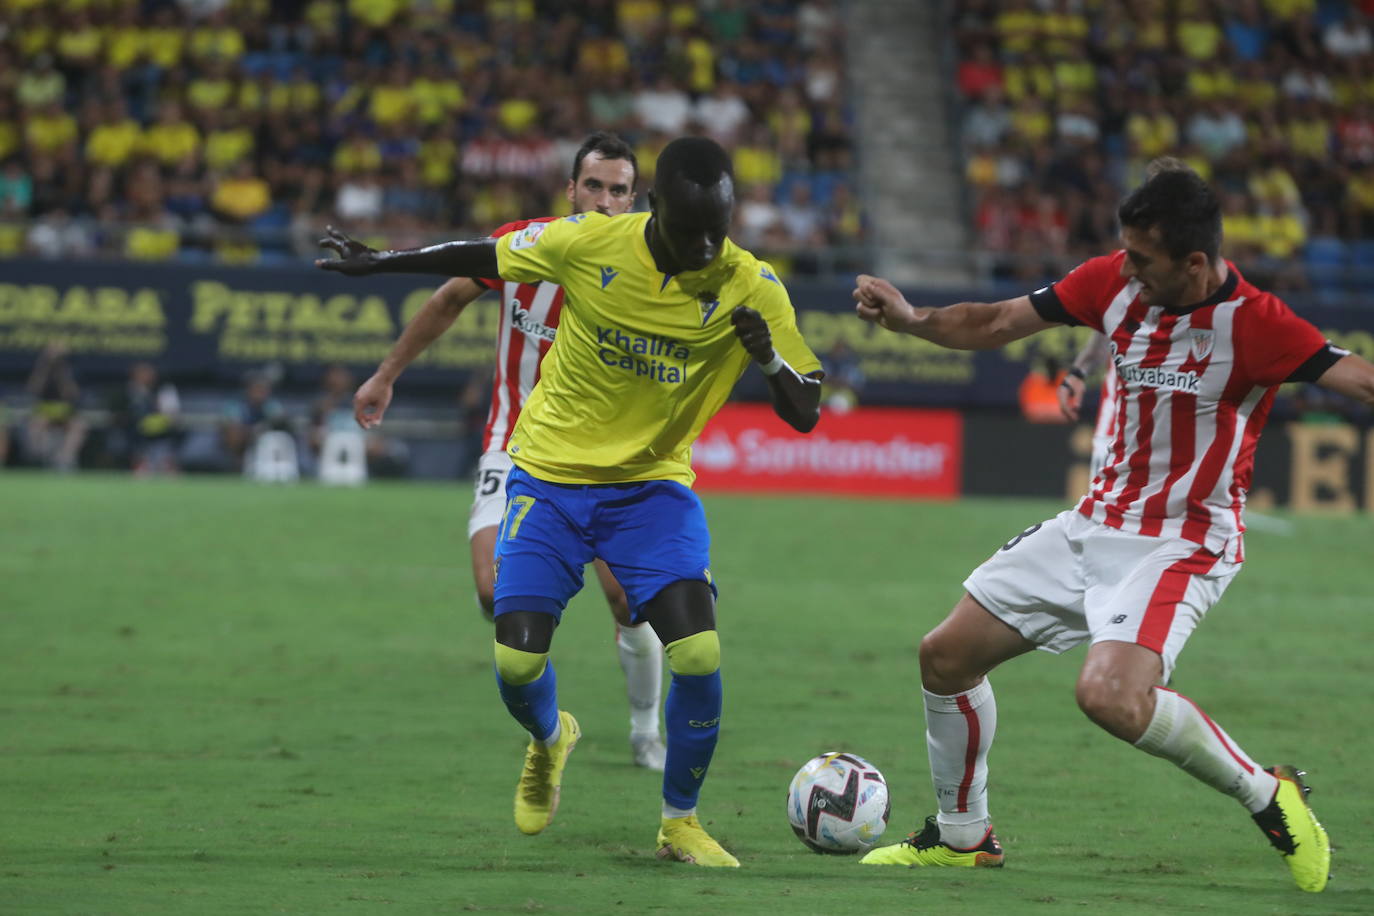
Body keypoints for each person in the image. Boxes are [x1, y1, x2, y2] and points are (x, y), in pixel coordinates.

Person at [851, 160, 1374, 893]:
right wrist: (910, 320)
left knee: (1110, 696)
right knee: (944, 657)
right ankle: (963, 835)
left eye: (1143, 258)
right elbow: (999, 320)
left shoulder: (1257, 324)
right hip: (1091, 527)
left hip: (1183, 540)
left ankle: (1268, 794)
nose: (1126, 269)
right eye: (1124, 253)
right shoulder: (1112, 284)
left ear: (1194, 262)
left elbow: (1358, 377)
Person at [319, 135, 823, 867]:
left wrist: (769, 358)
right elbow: (475, 263)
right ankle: (552, 736)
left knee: (700, 649)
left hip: (651, 488)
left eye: (720, 227)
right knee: (516, 663)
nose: (707, 245)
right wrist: (381, 262)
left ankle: (678, 819)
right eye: (691, 231)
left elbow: (806, 412)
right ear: (654, 211)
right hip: (547, 474)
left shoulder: (750, 283)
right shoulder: (585, 245)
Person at [347, 132, 669, 770]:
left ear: (635, 203)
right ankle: (555, 731)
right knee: (497, 594)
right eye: (595, 186)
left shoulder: (647, 269)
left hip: (603, 459)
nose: (605, 201)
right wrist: (386, 374)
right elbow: (448, 298)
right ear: (570, 190)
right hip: (514, 444)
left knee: (627, 600)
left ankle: (645, 729)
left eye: (619, 191)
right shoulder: (523, 243)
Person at [1057, 330, 1114, 476]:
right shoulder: (1119, 308)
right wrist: (1077, 373)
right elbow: (1098, 348)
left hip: (1114, 432)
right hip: (1113, 432)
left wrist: (1076, 374)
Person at [24, 340, 87, 471]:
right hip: (45, 409)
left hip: (64, 410)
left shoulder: (70, 369)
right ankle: (40, 459)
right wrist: (44, 366)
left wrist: (62, 372)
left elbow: (72, 394)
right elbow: (33, 389)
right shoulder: (41, 369)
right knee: (37, 423)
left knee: (78, 425)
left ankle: (64, 459)